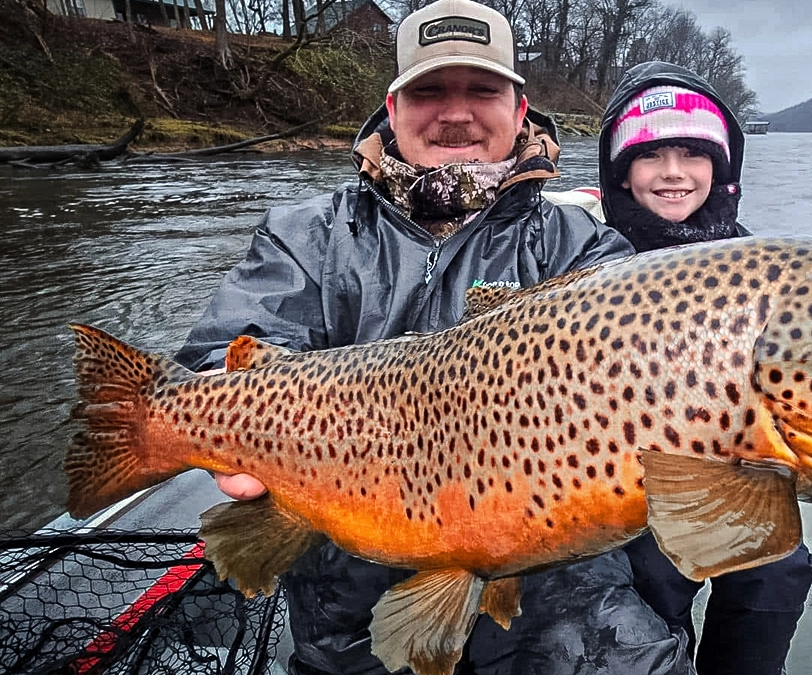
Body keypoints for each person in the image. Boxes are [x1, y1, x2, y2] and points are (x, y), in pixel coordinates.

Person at [175, 3, 692, 674]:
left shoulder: (583, 246)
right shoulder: (309, 236)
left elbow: (652, 366)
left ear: (519, 106)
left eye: (482, 90)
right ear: (392, 107)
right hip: (351, 576)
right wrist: (223, 410)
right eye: (429, 91)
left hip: (557, 578)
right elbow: (233, 343)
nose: (456, 112)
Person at [598, 61, 812, 675]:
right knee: (651, 578)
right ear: (621, 173)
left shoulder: (759, 261)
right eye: (651, 157)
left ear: (721, 169)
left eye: (693, 154)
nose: (673, 173)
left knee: (781, 569)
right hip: (630, 477)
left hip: (744, 469)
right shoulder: (588, 256)